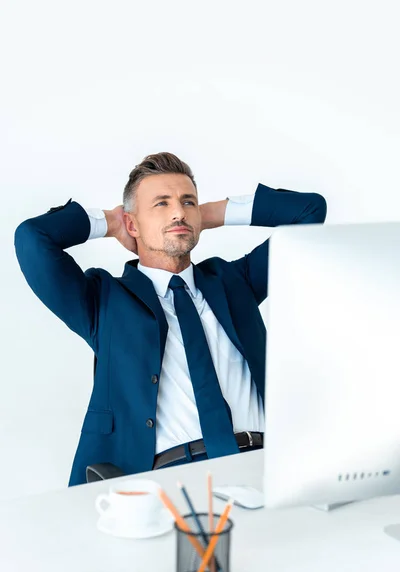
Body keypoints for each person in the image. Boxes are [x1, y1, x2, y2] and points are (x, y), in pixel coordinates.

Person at [14, 152, 327, 485]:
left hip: (265, 466)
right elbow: (33, 239)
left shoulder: (236, 283)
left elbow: (309, 212)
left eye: (187, 201)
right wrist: (110, 221)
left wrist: (203, 215)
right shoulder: (104, 302)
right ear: (133, 223)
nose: (178, 211)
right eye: (161, 204)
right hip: (168, 480)